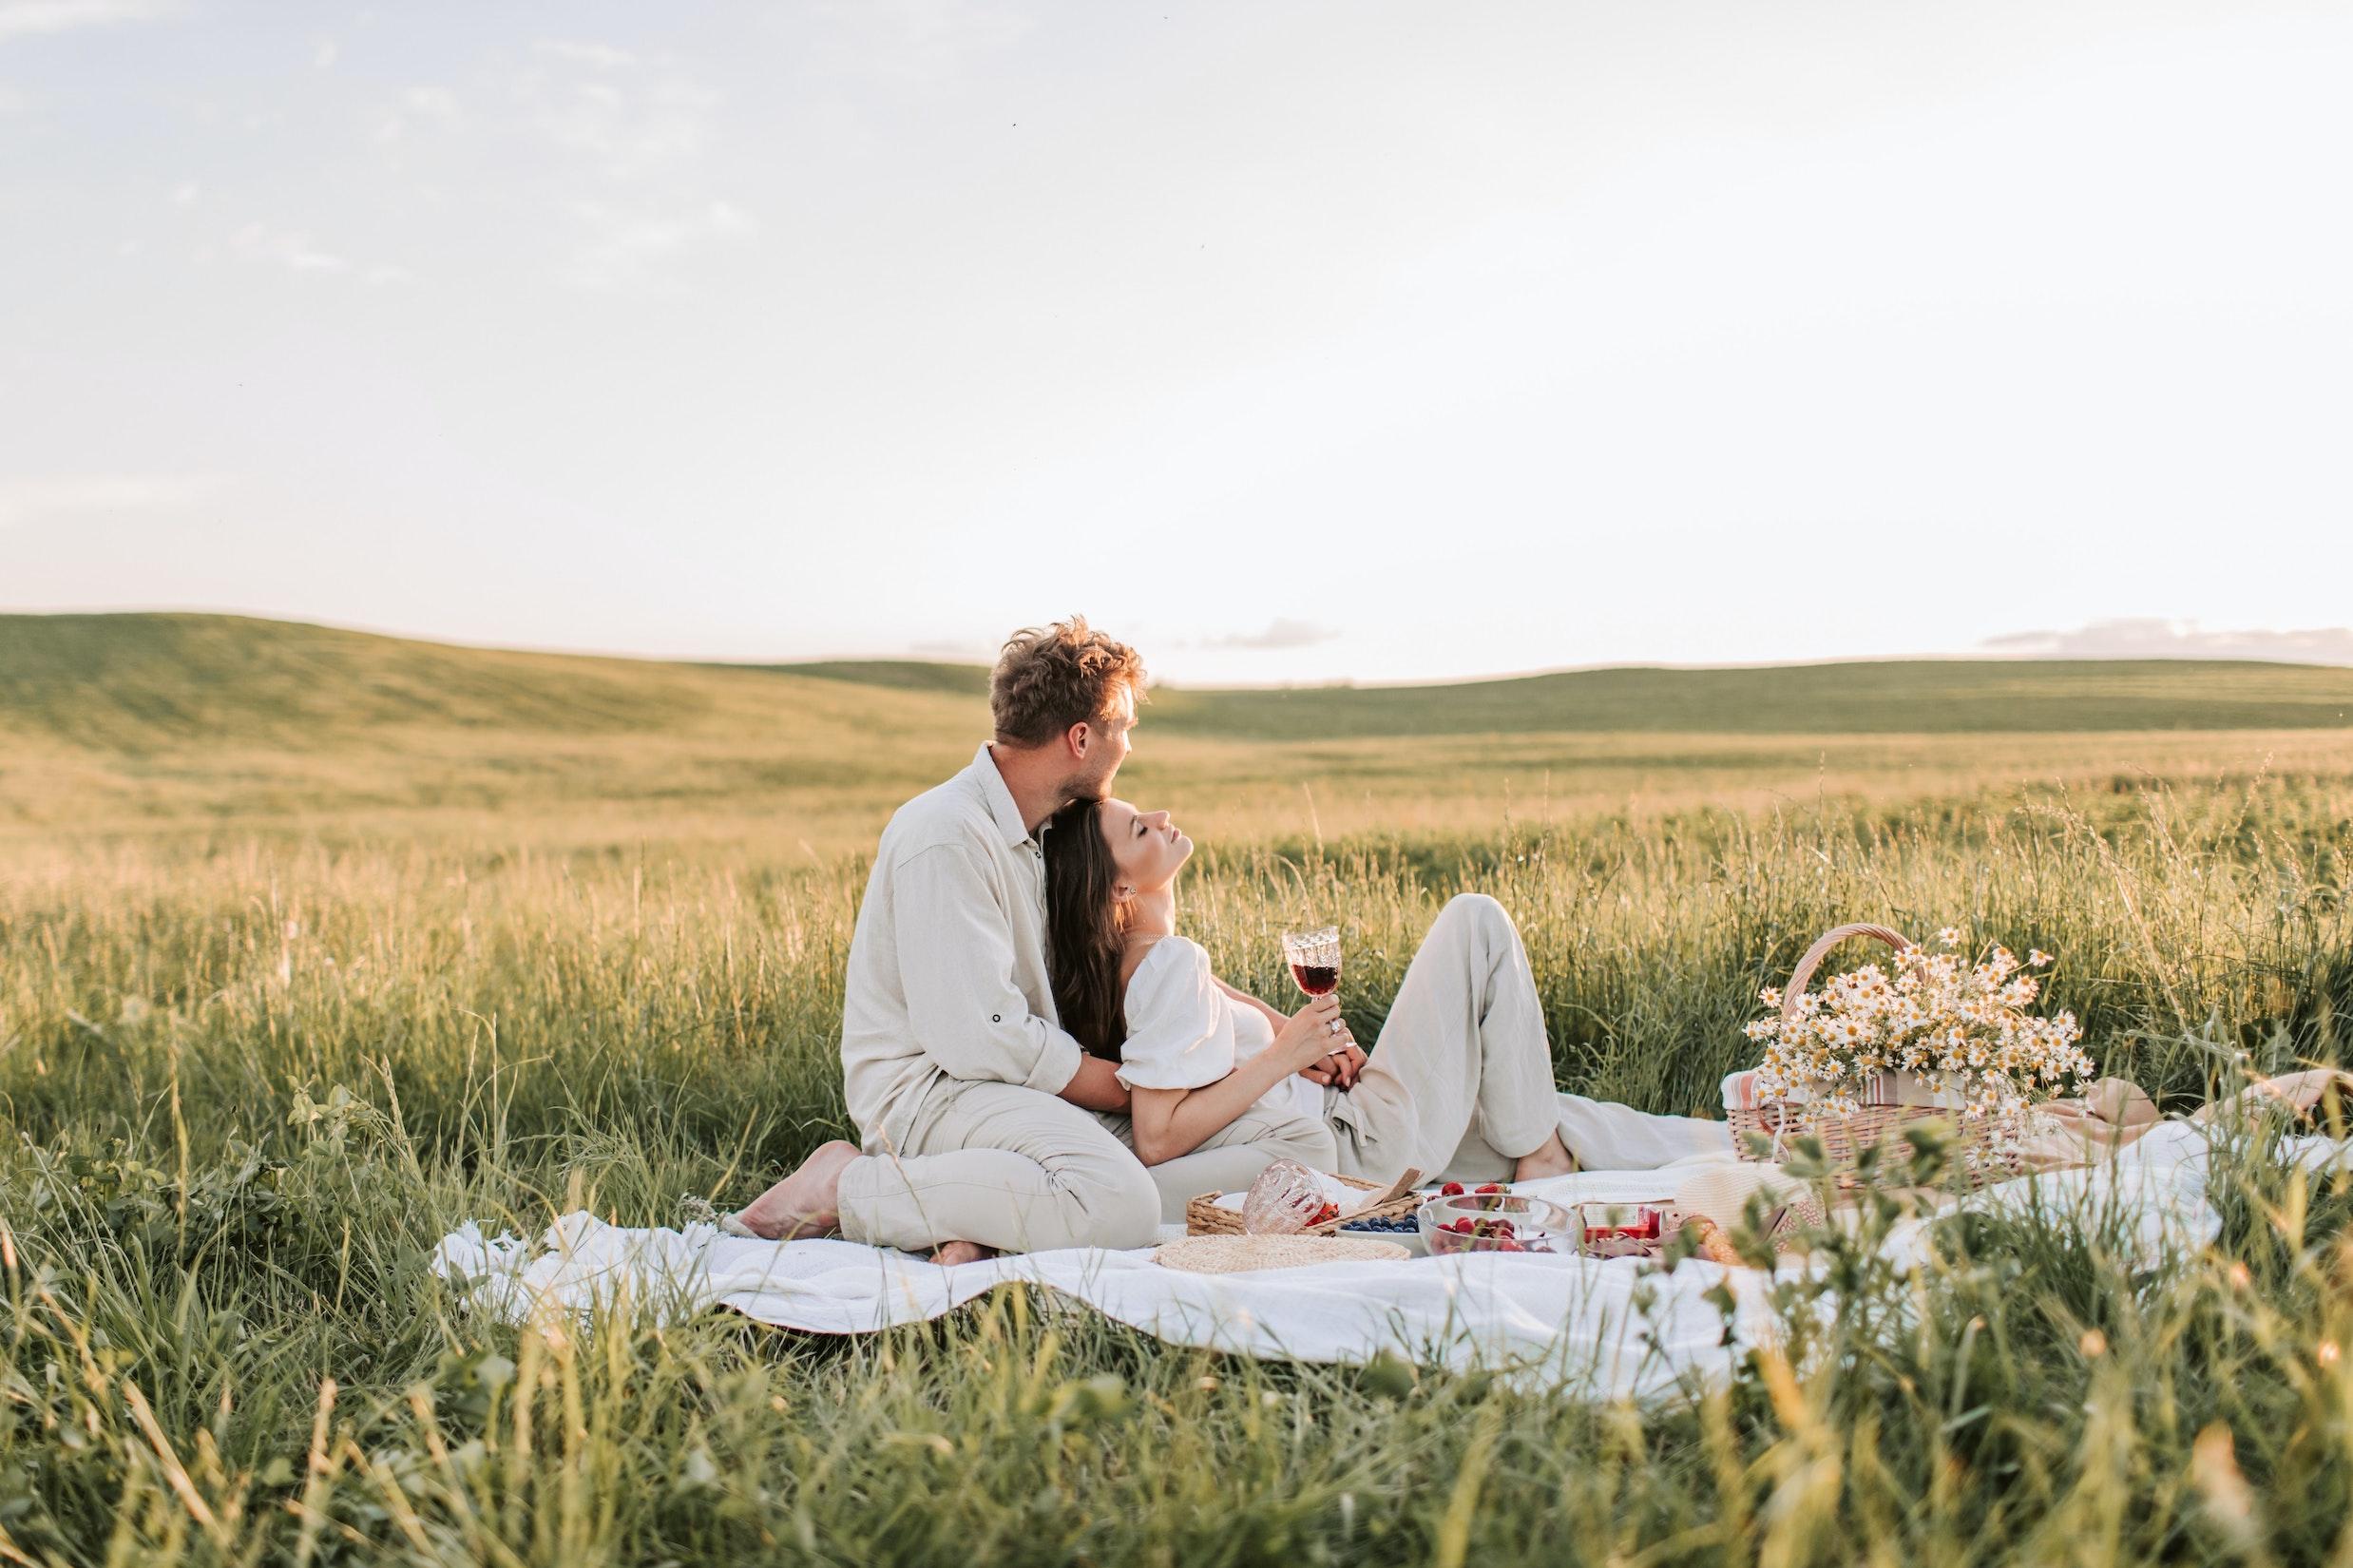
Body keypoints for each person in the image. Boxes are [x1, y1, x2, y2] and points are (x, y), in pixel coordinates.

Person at [726, 617, 1330, 1260]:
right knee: (1119, 1207)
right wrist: (1135, 1086)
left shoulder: (1046, 831)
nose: (1126, 747)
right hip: (934, 1094)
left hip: (1023, 1091)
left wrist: (1254, 1031)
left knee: (1299, 1145)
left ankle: (1001, 1212)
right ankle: (844, 1186)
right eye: (1121, 729)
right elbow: (981, 1037)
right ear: (1079, 738)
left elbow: (1124, 956)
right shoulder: (947, 834)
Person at [1041, 795, 1735, 1189]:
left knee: (1549, 1119)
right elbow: (1158, 1139)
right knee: (1475, 920)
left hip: (1352, 1123)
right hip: (1357, 1144)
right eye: (1139, 828)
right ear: (1119, 887)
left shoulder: (1159, 961)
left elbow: (1204, 1020)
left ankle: (1754, 1141)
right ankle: (1547, 1164)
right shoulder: (1168, 966)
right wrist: (1283, 1058)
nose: (1161, 815)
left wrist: (1288, 1033)